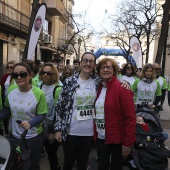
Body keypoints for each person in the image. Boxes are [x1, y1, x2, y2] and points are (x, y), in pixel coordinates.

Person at [54, 52, 130, 170]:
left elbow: (112, 80)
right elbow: (60, 106)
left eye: (91, 61)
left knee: (83, 163)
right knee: (68, 163)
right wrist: (58, 129)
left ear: (94, 65)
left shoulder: (97, 81)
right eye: (85, 60)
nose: (88, 63)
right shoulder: (69, 81)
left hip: (89, 131)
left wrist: (125, 82)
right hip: (70, 130)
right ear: (80, 63)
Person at [0, 62, 47, 170]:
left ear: (30, 75)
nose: (19, 77)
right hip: (14, 137)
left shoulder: (39, 94)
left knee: (33, 166)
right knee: (15, 165)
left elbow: (42, 115)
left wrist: (30, 123)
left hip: (33, 137)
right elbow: (7, 109)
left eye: (23, 74)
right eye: (16, 75)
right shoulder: (11, 90)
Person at [94, 58, 136, 170]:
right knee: (101, 166)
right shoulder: (99, 87)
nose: (106, 70)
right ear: (98, 71)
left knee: (116, 167)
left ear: (114, 70)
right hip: (101, 137)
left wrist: (127, 144)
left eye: (109, 67)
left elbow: (130, 118)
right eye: (103, 67)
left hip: (117, 139)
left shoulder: (122, 88)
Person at [39, 62, 62, 170]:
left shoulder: (57, 89)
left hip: (51, 126)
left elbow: (59, 112)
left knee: (51, 152)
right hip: (39, 125)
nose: (45, 75)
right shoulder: (39, 86)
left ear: (54, 74)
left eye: (49, 73)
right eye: (43, 72)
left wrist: (53, 131)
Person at [1, 60, 16, 134]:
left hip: (14, 101)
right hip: (5, 101)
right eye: (8, 67)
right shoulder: (5, 77)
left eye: (11, 67)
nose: (9, 68)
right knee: (5, 119)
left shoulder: (17, 78)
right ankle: (7, 132)